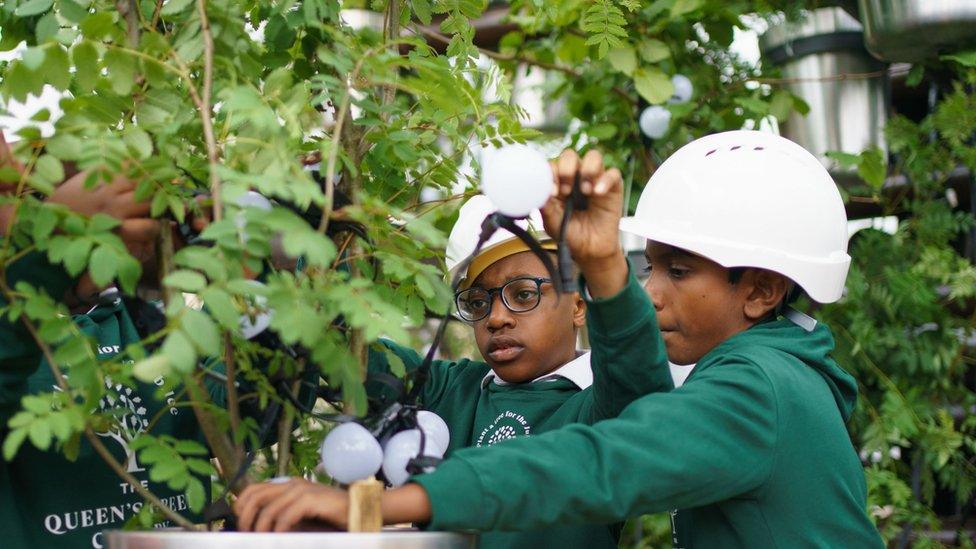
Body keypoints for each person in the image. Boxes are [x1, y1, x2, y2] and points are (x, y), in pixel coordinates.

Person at [235, 130, 885, 548]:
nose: (652, 289)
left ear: (762, 290)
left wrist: (371, 508)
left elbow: (600, 459)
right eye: (649, 266)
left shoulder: (755, 389)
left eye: (677, 271)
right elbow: (349, 359)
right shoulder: (777, 373)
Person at [0, 134, 290, 548]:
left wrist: (246, 283)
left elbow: (243, 414)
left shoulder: (150, 326)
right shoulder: (15, 330)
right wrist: (42, 261)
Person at [361, 192, 672, 549]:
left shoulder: (602, 405)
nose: (496, 318)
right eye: (478, 302)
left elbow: (636, 371)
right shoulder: (450, 390)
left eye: (524, 295)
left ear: (579, 305)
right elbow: (349, 353)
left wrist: (605, 269)